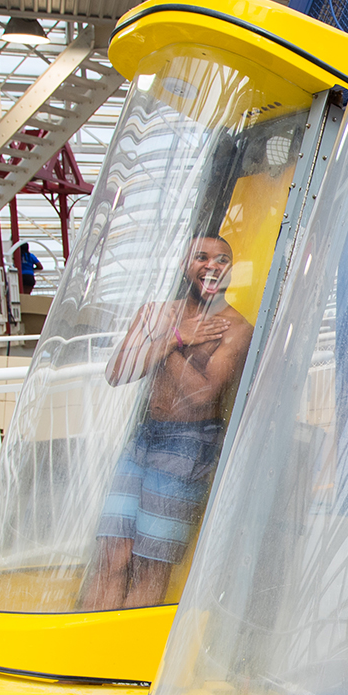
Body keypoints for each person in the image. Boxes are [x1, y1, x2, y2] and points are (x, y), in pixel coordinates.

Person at [82, 234, 252, 609]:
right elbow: (117, 372)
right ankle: (87, 652)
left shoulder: (234, 327)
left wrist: (165, 340)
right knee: (111, 556)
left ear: (230, 271)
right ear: (184, 265)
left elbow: (202, 394)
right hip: (144, 438)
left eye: (222, 260)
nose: (212, 265)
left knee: (149, 567)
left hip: (189, 443)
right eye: (202, 257)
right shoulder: (155, 312)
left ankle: (125, 663)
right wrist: (175, 336)